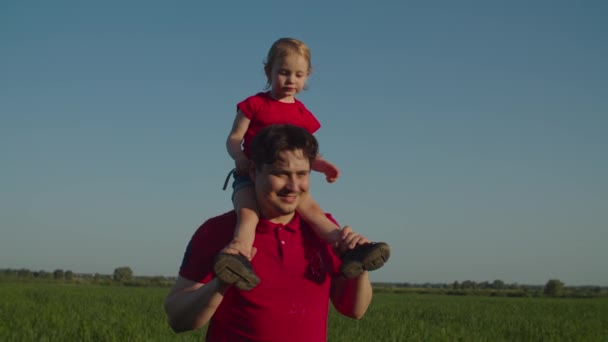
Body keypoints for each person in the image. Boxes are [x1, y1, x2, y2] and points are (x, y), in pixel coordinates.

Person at [165, 124, 376, 341]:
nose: (293, 186)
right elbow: (178, 320)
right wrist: (221, 283)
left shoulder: (323, 229)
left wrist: (359, 264)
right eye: (281, 174)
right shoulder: (218, 231)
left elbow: (354, 310)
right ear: (254, 172)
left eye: (302, 174)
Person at [218, 37, 390, 289]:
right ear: (269, 72)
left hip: (289, 181)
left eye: (299, 75)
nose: (291, 80)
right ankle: (238, 258)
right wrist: (240, 158)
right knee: (248, 215)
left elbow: (306, 154)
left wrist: (321, 165)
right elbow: (234, 138)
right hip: (250, 175)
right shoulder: (254, 104)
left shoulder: (303, 116)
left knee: (315, 214)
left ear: (307, 76)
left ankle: (350, 249)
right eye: (284, 73)